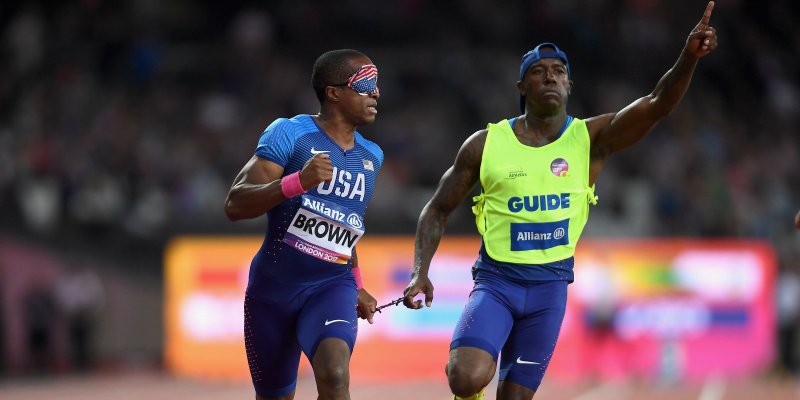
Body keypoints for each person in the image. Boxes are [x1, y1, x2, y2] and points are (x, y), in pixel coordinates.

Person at [402, 2, 718, 399]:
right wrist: (420, 270)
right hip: (497, 283)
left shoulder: (590, 139)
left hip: (550, 290)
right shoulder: (486, 144)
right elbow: (437, 209)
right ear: (522, 88)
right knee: (465, 377)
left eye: (559, 72)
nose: (550, 76)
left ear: (569, 86)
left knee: (516, 396)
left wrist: (689, 57)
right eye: (538, 71)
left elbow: (658, 104)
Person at [224, 49, 383, 400]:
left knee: (335, 374)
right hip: (273, 291)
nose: (376, 93)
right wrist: (296, 182)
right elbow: (235, 204)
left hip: (331, 286)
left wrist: (356, 284)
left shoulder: (372, 156)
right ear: (334, 92)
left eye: (377, 85)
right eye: (367, 84)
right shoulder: (290, 134)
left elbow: (345, 226)